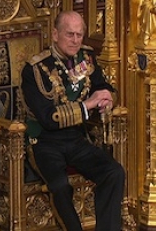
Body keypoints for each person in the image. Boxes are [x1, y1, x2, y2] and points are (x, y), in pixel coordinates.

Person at [21, 11, 125, 231]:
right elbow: (49, 118)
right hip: (44, 142)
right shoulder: (35, 70)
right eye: (70, 34)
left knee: (114, 172)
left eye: (79, 35)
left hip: (76, 138)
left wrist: (107, 98)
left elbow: (103, 87)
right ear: (55, 34)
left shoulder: (86, 59)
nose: (76, 40)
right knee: (60, 185)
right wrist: (89, 104)